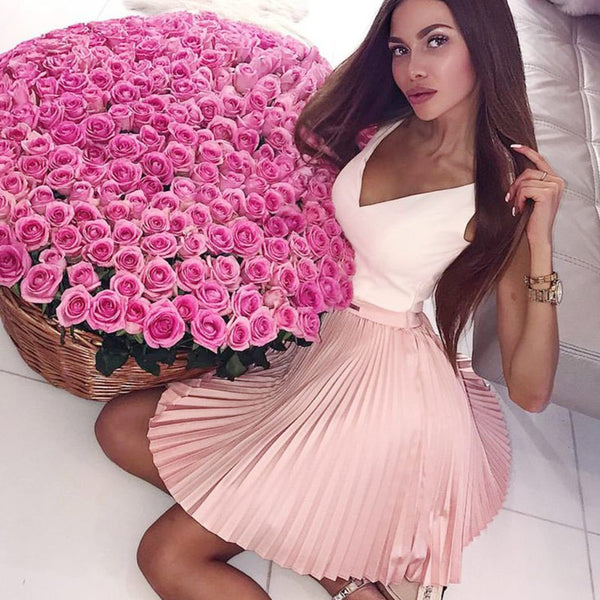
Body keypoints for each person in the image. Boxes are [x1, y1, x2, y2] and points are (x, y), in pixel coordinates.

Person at [94, 0, 564, 598]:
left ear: (485, 45)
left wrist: (541, 244)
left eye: (437, 41)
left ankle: (327, 547)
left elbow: (531, 391)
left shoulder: (501, 192)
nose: (413, 68)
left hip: (375, 392)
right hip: (317, 347)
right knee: (119, 427)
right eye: (400, 48)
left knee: (166, 556)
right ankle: (340, 566)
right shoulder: (397, 116)